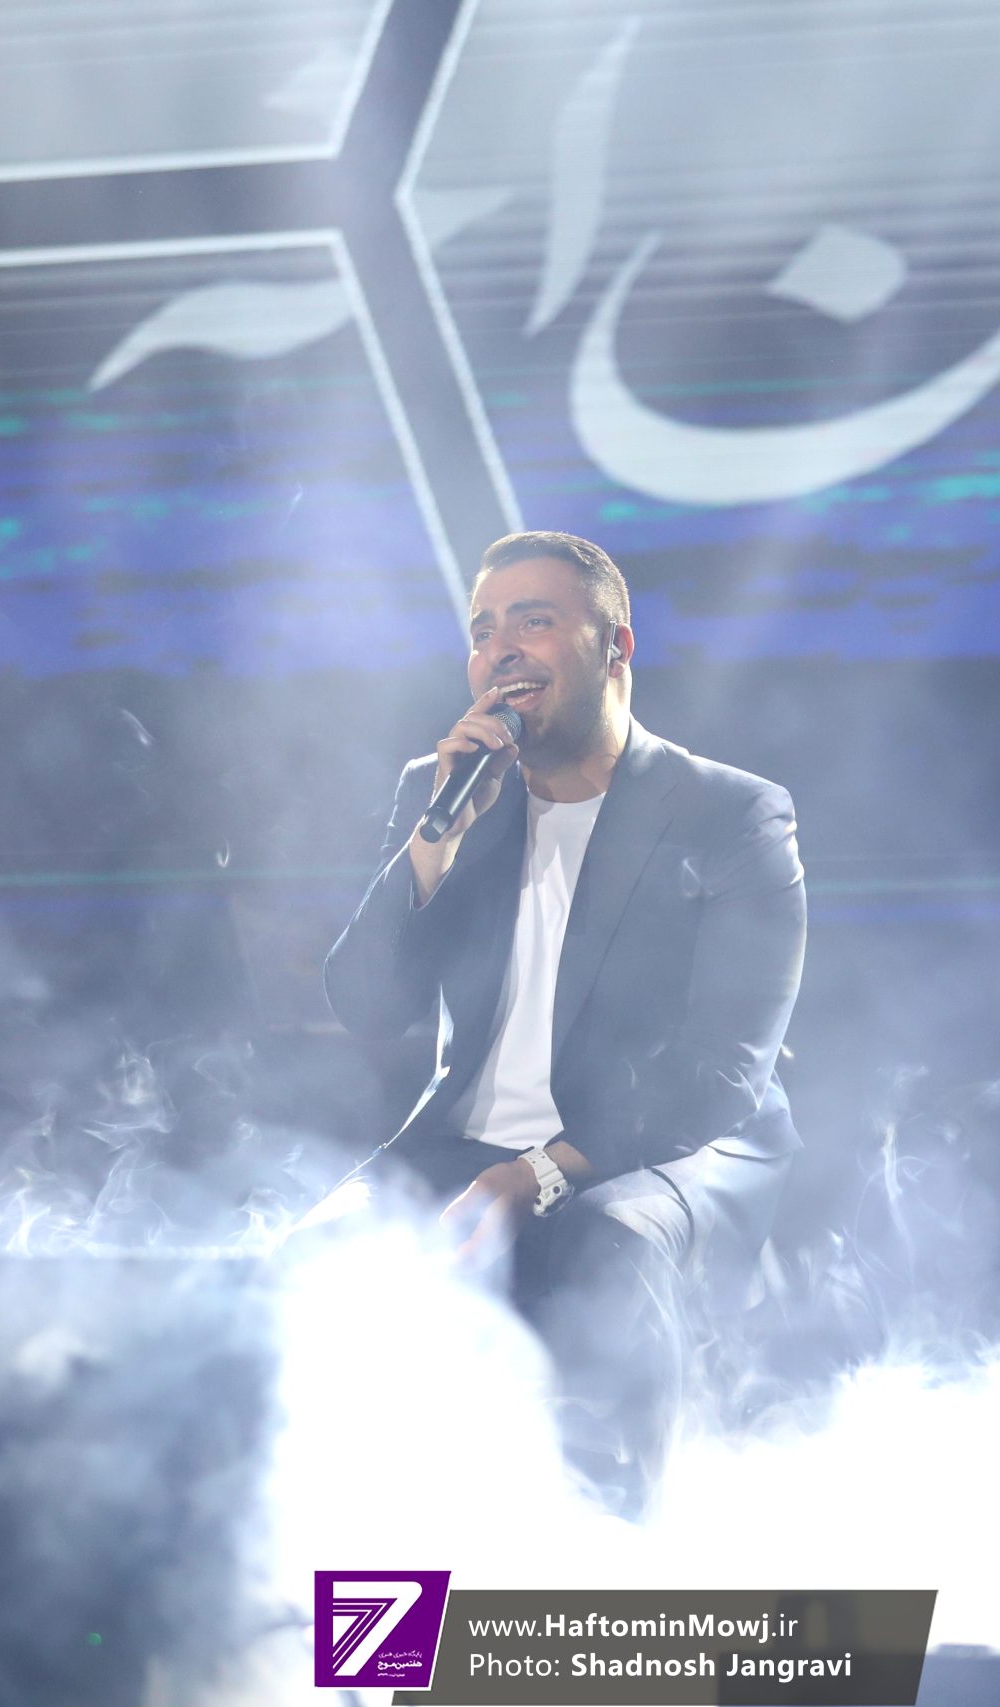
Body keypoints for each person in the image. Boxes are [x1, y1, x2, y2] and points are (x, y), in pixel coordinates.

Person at [323, 530, 804, 1506]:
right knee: (315, 1257)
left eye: (532, 622)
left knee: (606, 1246)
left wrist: (536, 1174)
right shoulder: (447, 795)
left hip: (664, 1145)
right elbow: (368, 1004)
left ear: (615, 647)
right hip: (468, 1142)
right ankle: (354, 1572)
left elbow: (721, 1073)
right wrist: (432, 847)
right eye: (481, 631)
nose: (499, 650)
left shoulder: (730, 813)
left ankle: (616, 1553)